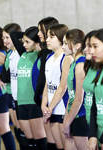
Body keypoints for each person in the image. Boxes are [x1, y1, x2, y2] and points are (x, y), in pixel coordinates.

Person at [13, 26, 47, 150]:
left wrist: (38, 38)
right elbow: (13, 34)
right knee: (28, 143)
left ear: (37, 42)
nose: (24, 44)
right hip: (21, 103)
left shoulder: (40, 56)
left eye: (28, 42)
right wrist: (29, 36)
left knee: (40, 142)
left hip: (34, 103)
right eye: (23, 41)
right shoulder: (24, 54)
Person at [41, 24, 72, 150]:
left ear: (61, 39)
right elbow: (47, 85)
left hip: (62, 109)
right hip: (51, 110)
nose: (47, 39)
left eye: (51, 37)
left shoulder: (67, 58)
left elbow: (62, 87)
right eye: (47, 36)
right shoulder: (49, 58)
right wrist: (44, 105)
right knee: (58, 147)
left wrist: (49, 108)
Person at [62, 29, 89, 150]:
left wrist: (67, 123)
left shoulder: (80, 65)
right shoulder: (73, 63)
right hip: (73, 116)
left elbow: (79, 99)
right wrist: (66, 119)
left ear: (77, 46)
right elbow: (71, 95)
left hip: (81, 117)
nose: (62, 47)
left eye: (65, 43)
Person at [35, 16, 59, 150]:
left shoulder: (62, 56)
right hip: (46, 103)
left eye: (41, 30)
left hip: (56, 105)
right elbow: (44, 81)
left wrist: (43, 103)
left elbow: (61, 86)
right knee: (51, 143)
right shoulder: (46, 53)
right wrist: (42, 102)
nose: (38, 34)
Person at [82, 30, 98, 126]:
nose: (86, 49)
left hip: (100, 126)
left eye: (90, 46)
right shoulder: (89, 67)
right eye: (86, 46)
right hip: (89, 123)